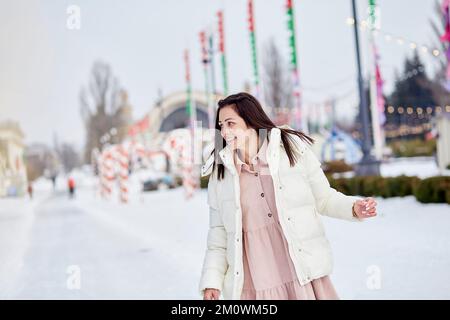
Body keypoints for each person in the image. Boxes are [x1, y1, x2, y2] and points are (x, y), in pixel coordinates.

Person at [199, 92, 377, 300]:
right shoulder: (220, 172)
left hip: (299, 273)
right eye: (221, 125)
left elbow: (324, 198)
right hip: (255, 284)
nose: (224, 132)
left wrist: (353, 207)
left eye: (231, 123)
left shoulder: (290, 148)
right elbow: (218, 236)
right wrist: (212, 282)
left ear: (251, 121)